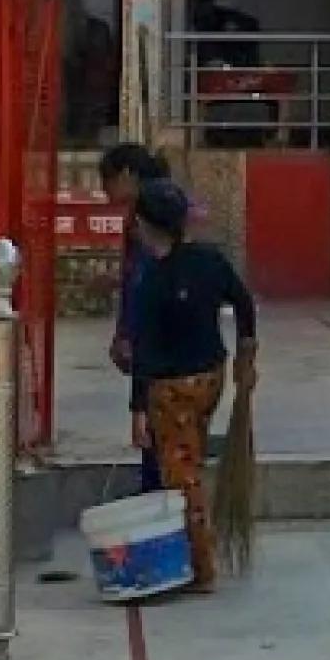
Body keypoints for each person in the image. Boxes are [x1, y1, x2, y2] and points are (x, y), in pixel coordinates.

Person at [126, 176, 257, 593]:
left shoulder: (148, 280)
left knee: (182, 476)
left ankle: (200, 567)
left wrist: (138, 410)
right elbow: (244, 301)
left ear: (144, 225)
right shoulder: (208, 261)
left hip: (172, 389)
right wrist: (246, 353)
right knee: (191, 459)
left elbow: (143, 352)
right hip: (211, 379)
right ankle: (194, 555)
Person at [99, 143, 172, 489]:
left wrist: (126, 333)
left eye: (108, 183)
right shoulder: (168, 200)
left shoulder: (146, 213)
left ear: (127, 175)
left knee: (154, 430)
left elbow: (142, 283)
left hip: (156, 339)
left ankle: (158, 508)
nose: (106, 193)